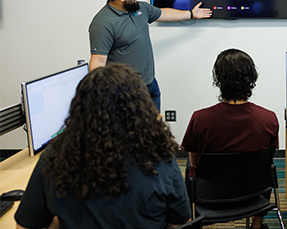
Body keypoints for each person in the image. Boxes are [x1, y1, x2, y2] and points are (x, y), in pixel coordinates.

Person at [15, 63, 191, 229]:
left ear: (80, 108)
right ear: (141, 108)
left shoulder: (56, 157)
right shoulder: (160, 157)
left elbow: (25, 225)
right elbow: (180, 223)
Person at [181, 49, 279, 229]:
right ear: (252, 78)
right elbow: (267, 159)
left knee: (189, 168)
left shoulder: (200, 119)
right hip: (253, 194)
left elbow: (194, 163)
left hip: (209, 196)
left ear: (218, 79)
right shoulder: (269, 119)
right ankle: (257, 224)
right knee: (266, 170)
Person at [89, 0, 213, 111]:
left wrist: (191, 14)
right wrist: (100, 96)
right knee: (134, 131)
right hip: (127, 91)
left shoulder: (140, 8)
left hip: (150, 83)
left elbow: (164, 14)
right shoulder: (102, 23)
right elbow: (97, 62)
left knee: (154, 129)